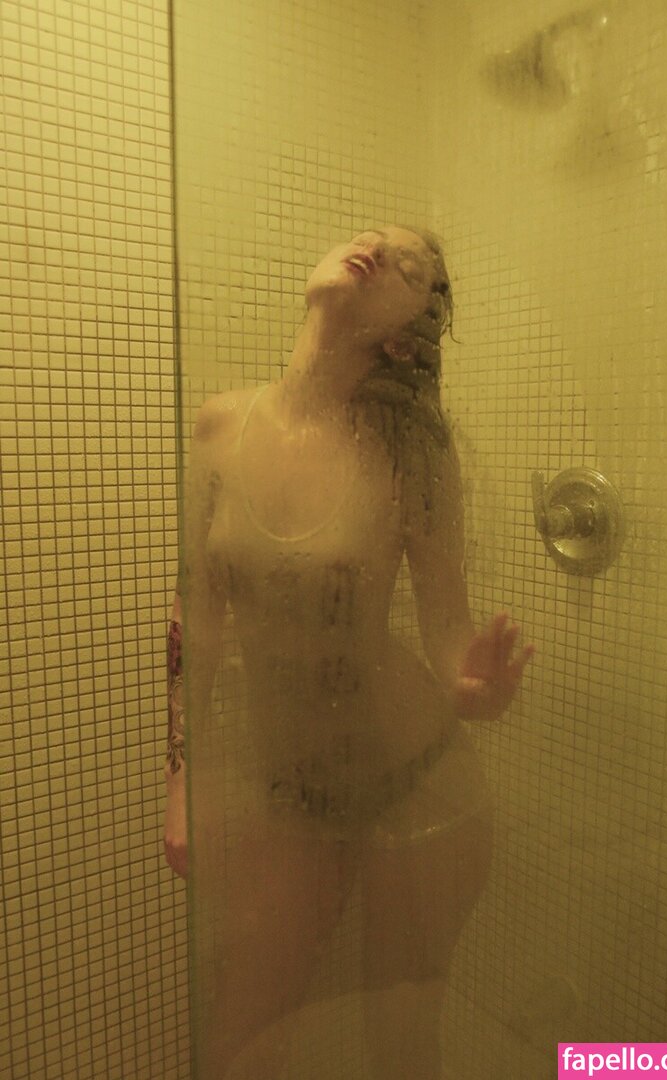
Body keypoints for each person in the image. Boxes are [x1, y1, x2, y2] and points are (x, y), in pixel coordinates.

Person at [163, 225, 534, 1080]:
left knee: (400, 1049)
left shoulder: (413, 451)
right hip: (294, 793)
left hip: (419, 785)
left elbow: (447, 629)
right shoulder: (219, 427)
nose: (376, 246)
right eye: (374, 236)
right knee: (238, 1046)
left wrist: (471, 686)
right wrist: (180, 781)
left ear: (406, 337)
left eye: (409, 264)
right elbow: (195, 616)